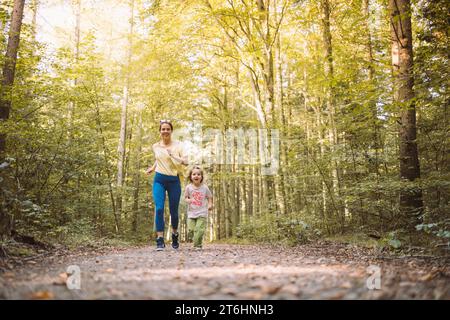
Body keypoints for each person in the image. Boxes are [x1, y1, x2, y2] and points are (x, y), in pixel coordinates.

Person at [146, 120, 188, 251]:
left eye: (167, 129)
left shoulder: (179, 145)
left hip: (174, 180)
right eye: (163, 129)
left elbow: (186, 162)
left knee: (173, 211)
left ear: (171, 131)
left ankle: (175, 234)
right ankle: (160, 239)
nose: (165, 131)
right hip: (159, 179)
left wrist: (173, 155)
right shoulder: (155, 146)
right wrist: (153, 168)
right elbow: (158, 159)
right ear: (160, 131)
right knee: (159, 208)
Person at [184, 166, 213, 250]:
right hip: (191, 212)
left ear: (201, 177)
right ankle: (197, 243)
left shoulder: (204, 187)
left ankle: (197, 245)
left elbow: (209, 197)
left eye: (198, 174)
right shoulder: (188, 187)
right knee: (191, 230)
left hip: (202, 212)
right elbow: (185, 197)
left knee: (199, 229)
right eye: (194, 174)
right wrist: (188, 200)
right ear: (191, 176)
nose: (196, 176)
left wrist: (210, 204)